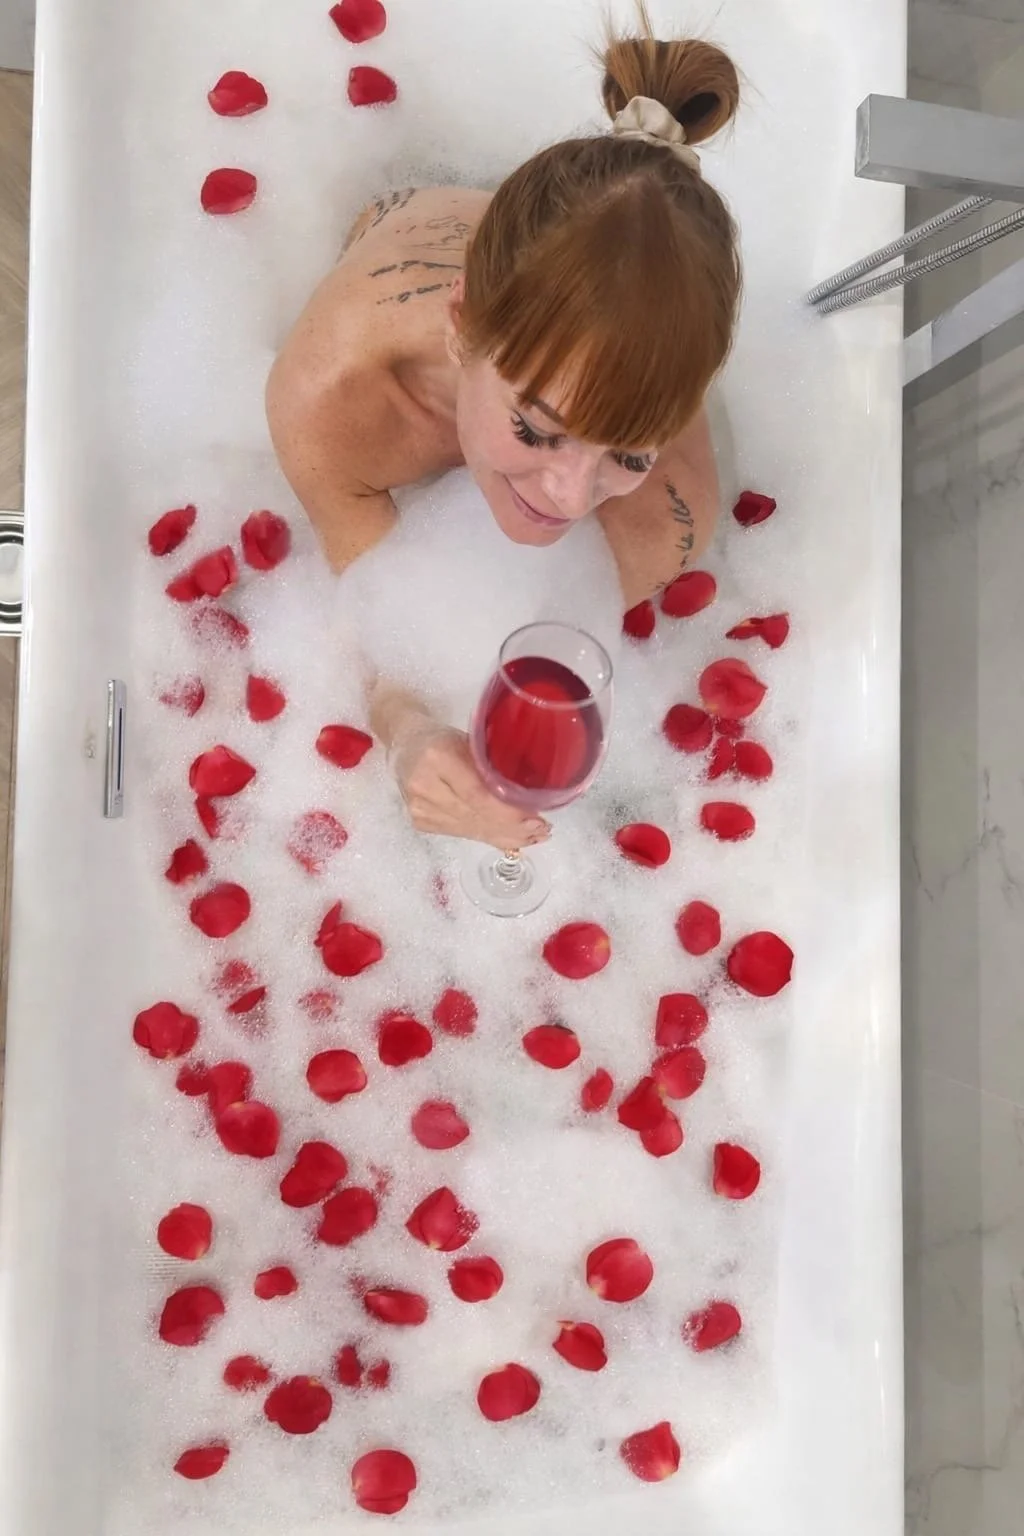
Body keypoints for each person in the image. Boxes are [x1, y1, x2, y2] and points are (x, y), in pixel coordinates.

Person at [267, 9, 742, 853]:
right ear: (460, 326)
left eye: (628, 446)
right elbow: (371, 602)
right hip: (407, 219)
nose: (568, 495)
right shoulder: (337, 390)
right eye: (537, 427)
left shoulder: (668, 510)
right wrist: (408, 732)